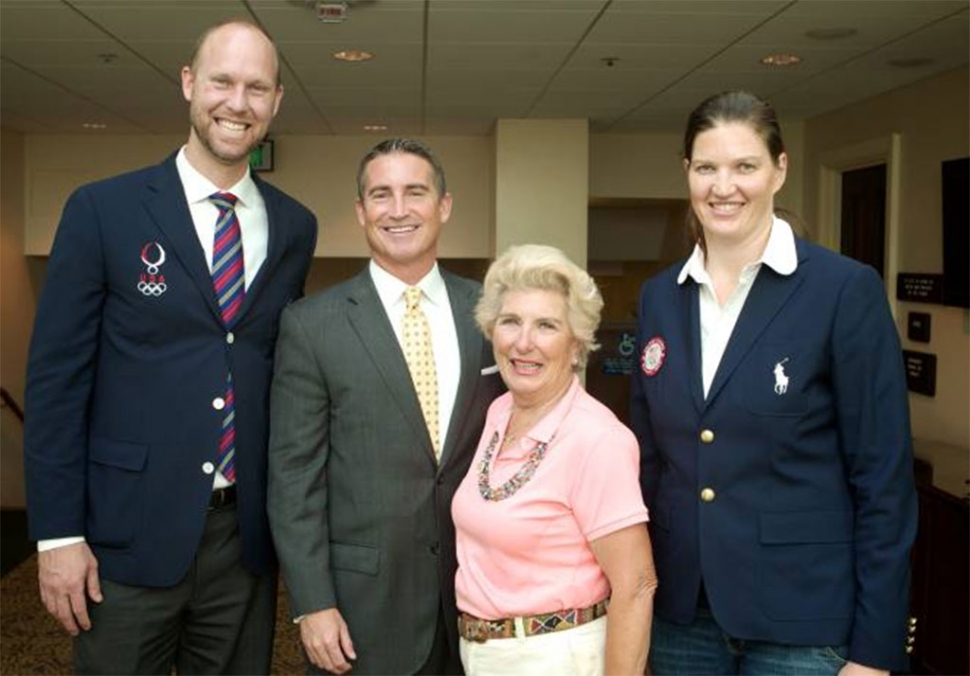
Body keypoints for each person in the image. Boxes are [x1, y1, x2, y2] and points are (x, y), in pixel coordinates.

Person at [23, 19, 317, 674]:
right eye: (222, 81)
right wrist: (59, 534)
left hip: (242, 545)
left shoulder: (296, 226)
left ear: (275, 102)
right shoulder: (104, 210)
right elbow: (55, 385)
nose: (237, 103)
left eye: (256, 87)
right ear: (188, 84)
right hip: (124, 535)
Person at [630, 90, 917, 676]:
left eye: (745, 166)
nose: (723, 186)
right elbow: (649, 463)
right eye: (707, 167)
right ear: (687, 173)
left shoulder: (843, 291)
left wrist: (876, 650)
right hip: (683, 619)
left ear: (779, 169)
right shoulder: (659, 297)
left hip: (804, 625)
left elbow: (883, 481)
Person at [267, 138, 505, 675]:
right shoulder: (311, 325)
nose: (398, 210)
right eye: (381, 195)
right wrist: (312, 603)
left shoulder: (491, 312)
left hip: (480, 603)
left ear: (444, 206)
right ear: (361, 212)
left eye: (415, 192)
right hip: (362, 612)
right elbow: (293, 478)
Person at [452, 244, 657, 676]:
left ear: (577, 343)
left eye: (546, 325)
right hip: (485, 655)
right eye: (511, 322)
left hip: (556, 658)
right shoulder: (500, 411)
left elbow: (636, 585)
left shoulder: (597, 439)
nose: (523, 342)